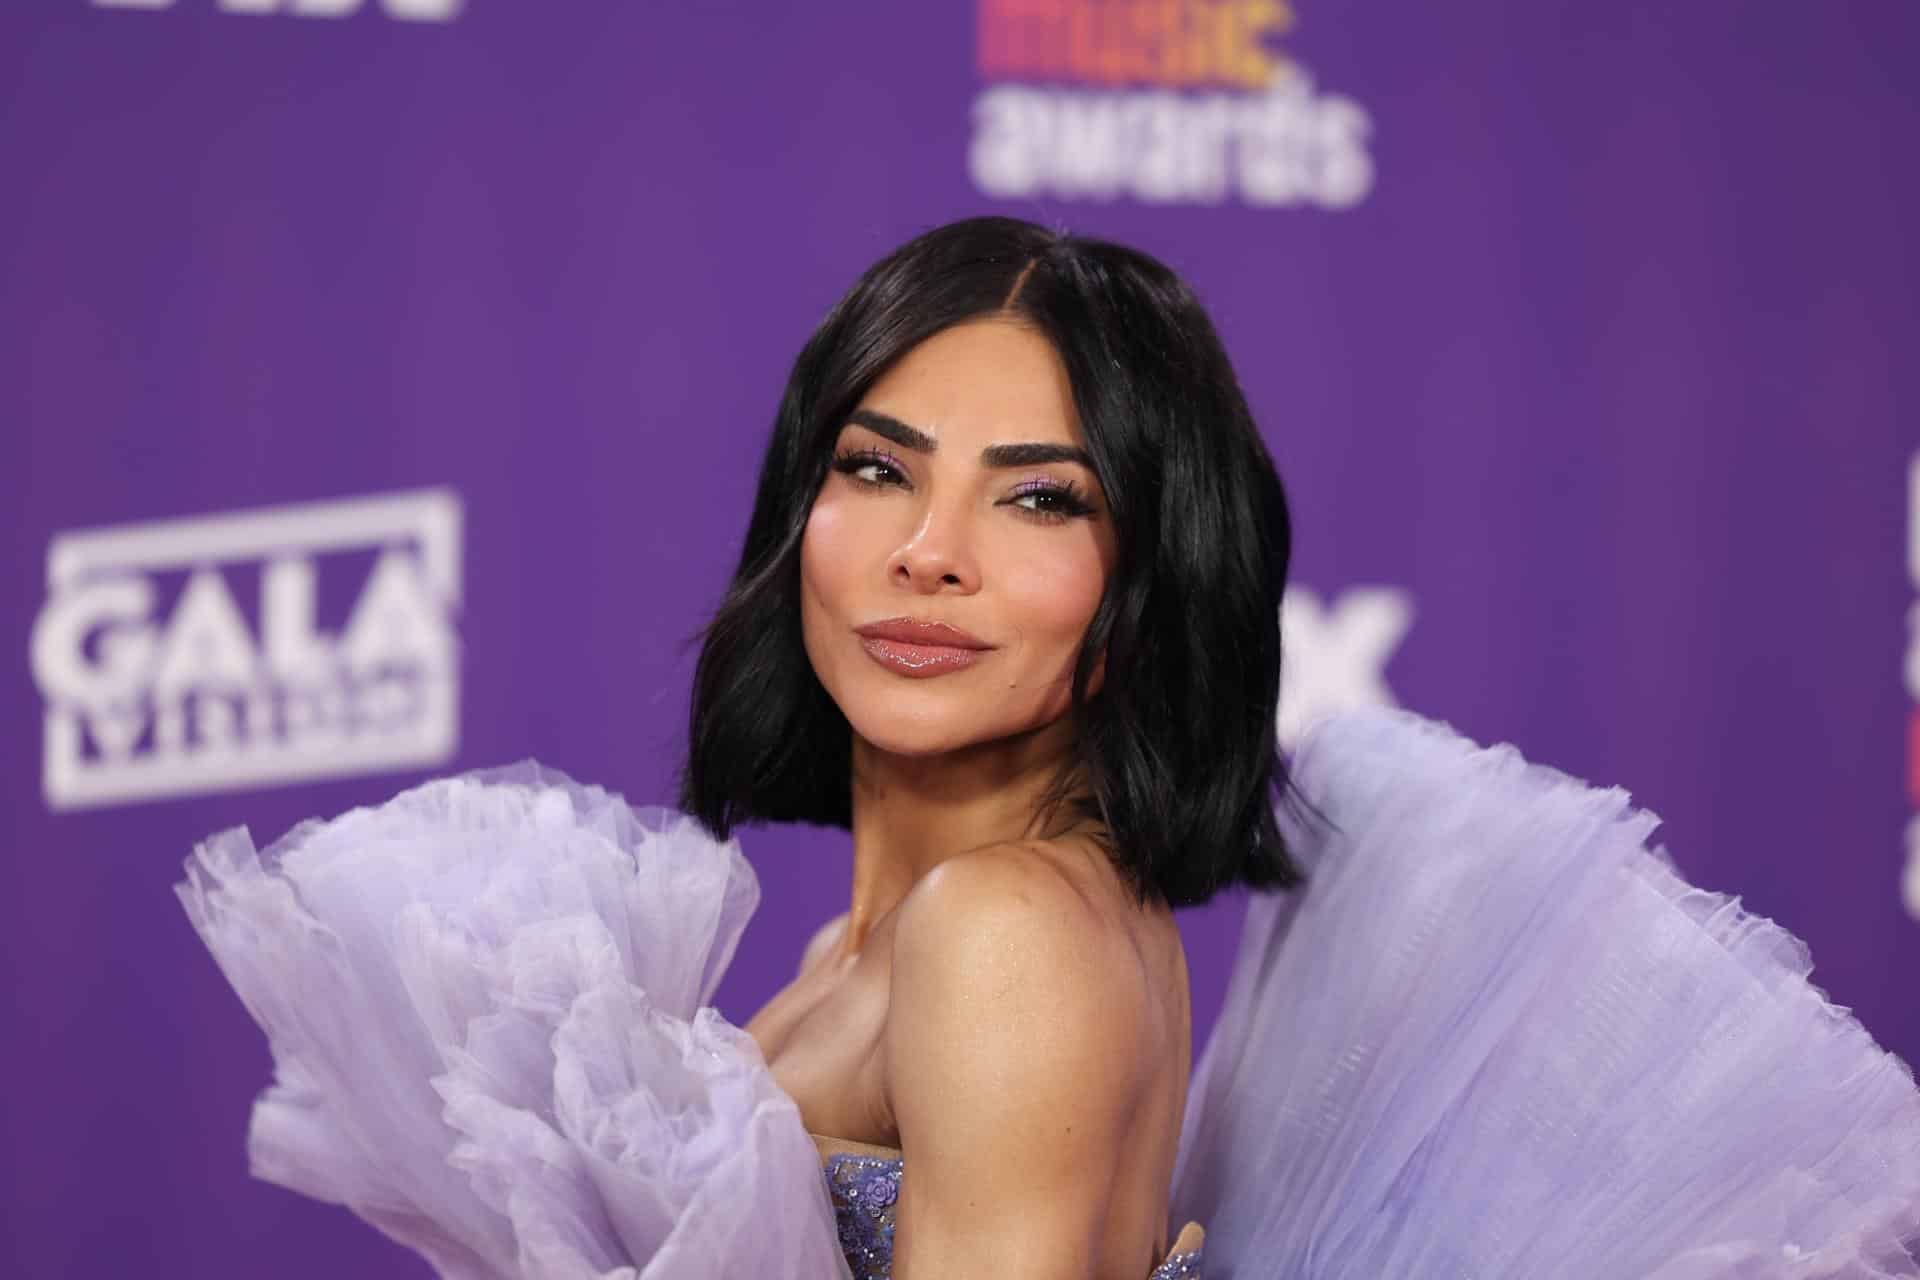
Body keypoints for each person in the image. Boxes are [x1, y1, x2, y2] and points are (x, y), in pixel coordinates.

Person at [180, 218, 1920, 1280]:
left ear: (1150, 581)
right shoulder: (875, 943)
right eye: (877, 469)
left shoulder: (1004, 937)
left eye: (1038, 498)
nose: (930, 548)